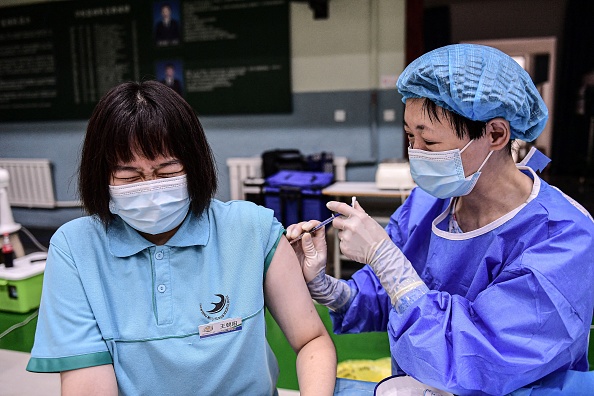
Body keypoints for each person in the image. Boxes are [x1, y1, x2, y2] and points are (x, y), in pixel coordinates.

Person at [287, 44, 594, 395]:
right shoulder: (429, 204)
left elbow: (483, 358)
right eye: (409, 136)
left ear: (495, 134)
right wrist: (326, 287)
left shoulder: (562, 235)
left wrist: (386, 258)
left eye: (429, 141)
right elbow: (392, 297)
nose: (415, 152)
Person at [26, 80, 337, 395]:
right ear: (101, 176)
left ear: (195, 166)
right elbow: (88, 384)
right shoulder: (75, 249)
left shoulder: (252, 229)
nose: (151, 188)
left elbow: (311, 339)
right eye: (130, 176)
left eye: (167, 171)